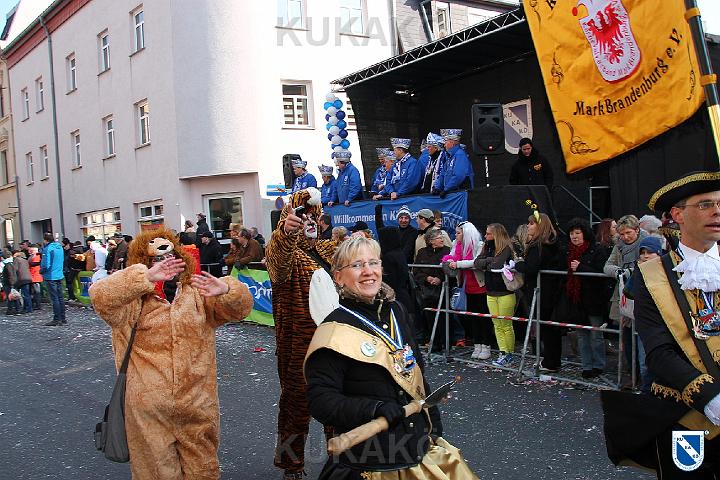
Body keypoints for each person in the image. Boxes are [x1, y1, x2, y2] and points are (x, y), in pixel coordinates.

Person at [304, 236, 479, 479]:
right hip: (370, 461)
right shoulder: (333, 330)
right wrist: (374, 408)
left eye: (373, 263)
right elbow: (321, 402)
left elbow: (416, 372)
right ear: (339, 277)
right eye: (357, 265)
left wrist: (434, 428)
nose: (368, 271)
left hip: (417, 448)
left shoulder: (397, 310)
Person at [89, 228, 253, 480]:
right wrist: (144, 277)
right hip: (149, 412)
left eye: (169, 256)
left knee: (204, 473)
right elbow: (100, 297)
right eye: (156, 259)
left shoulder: (195, 292)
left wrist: (227, 291)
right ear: (143, 261)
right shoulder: (132, 300)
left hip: (197, 406)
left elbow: (240, 310)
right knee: (156, 474)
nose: (165, 263)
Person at [604, 171, 720, 478]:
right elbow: (658, 351)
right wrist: (712, 398)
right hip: (685, 415)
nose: (717, 211)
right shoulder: (651, 275)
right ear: (678, 215)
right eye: (705, 204)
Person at [264, 187, 337, 479]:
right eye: (302, 216)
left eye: (313, 216)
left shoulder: (328, 250)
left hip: (335, 342)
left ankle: (342, 459)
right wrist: (285, 233)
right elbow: (277, 262)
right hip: (299, 344)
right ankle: (291, 464)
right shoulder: (288, 255)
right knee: (296, 405)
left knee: (339, 403)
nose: (309, 221)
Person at [559, 218, 609, 379]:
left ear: (584, 233)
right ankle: (586, 365)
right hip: (576, 298)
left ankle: (598, 365)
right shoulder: (568, 251)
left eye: (577, 233)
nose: (574, 236)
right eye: (571, 233)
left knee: (596, 333)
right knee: (581, 334)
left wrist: (581, 267)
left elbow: (601, 273)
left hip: (593, 297)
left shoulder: (597, 250)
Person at [604, 214, 649, 386]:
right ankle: (633, 375)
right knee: (627, 338)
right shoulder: (619, 246)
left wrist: (632, 271)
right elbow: (607, 266)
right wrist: (618, 272)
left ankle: (646, 378)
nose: (625, 237)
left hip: (644, 297)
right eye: (622, 234)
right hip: (624, 297)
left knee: (644, 340)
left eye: (628, 233)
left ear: (637, 230)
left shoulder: (647, 243)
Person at [514, 213, 561, 371]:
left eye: (532, 224)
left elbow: (531, 268)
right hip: (549, 290)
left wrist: (518, 264)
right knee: (550, 328)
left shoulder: (539, 246)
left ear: (540, 226)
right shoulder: (552, 243)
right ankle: (552, 360)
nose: (528, 226)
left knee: (547, 328)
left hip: (541, 292)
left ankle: (550, 362)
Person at [444, 221, 491, 359]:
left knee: (483, 318)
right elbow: (450, 257)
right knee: (473, 318)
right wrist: (448, 261)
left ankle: (486, 345)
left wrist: (457, 264)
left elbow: (476, 262)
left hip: (480, 286)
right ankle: (477, 345)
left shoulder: (479, 245)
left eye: (458, 233)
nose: (456, 235)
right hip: (466, 286)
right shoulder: (456, 244)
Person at [474, 223, 517, 367]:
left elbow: (497, 264)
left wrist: (486, 262)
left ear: (496, 235)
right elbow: (477, 262)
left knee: (506, 325)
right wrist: (488, 261)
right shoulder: (486, 247)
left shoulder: (506, 247)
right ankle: (502, 352)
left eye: (488, 234)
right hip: (490, 291)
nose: (485, 236)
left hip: (505, 291)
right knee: (497, 324)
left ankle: (509, 354)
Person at [414, 229, 451, 347]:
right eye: (439, 238)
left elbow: (450, 269)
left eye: (442, 237)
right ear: (431, 241)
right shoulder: (422, 252)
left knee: (444, 317)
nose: (442, 239)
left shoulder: (447, 251)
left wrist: (440, 278)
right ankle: (433, 342)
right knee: (429, 316)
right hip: (426, 290)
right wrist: (427, 278)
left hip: (443, 289)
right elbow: (416, 270)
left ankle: (446, 343)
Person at [434, 129, 474, 197]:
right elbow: (443, 174)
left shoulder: (460, 155)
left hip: (462, 195)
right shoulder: (450, 157)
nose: (444, 145)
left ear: (452, 143)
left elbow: (458, 176)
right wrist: (437, 187)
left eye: (445, 142)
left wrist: (446, 189)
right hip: (454, 193)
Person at [40, 233, 66, 326]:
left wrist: (41, 270)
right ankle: (63, 318)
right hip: (59, 274)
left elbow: (46, 264)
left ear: (46, 240)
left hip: (50, 275)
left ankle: (57, 319)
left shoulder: (47, 249)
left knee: (54, 298)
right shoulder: (59, 247)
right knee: (60, 297)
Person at [28, 245, 43, 310]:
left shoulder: (37, 257)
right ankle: (36, 304)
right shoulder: (34, 256)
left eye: (31, 250)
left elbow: (34, 264)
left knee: (37, 292)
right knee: (35, 292)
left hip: (36, 276)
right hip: (34, 276)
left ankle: (38, 305)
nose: (29, 252)